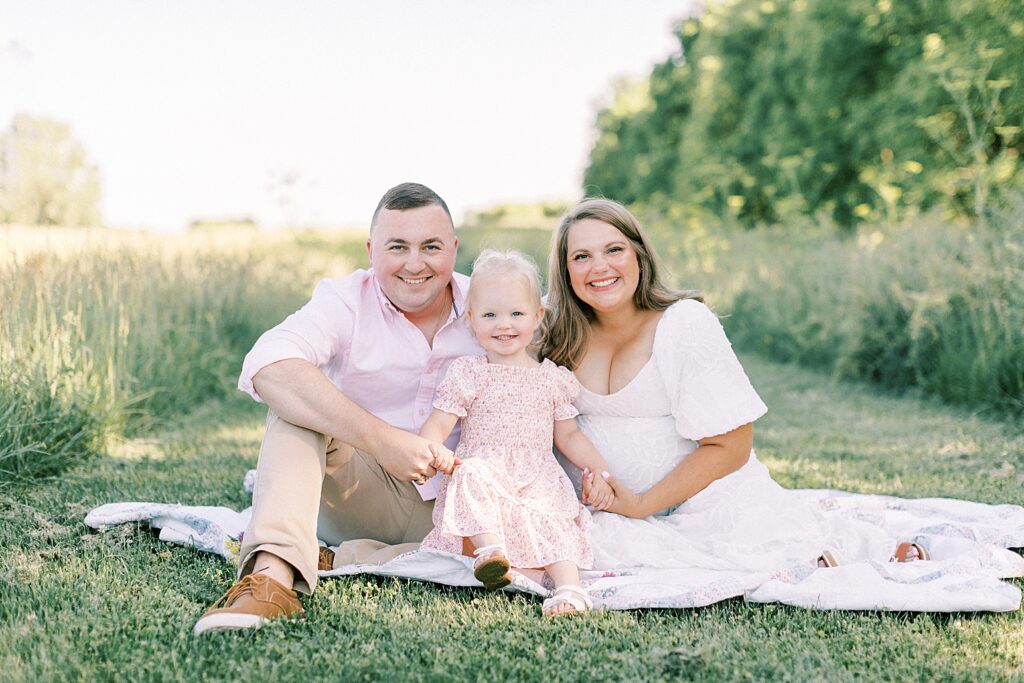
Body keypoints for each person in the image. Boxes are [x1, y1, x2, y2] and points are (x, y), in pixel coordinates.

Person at [540, 198, 932, 574]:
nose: (599, 267)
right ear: (565, 269)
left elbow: (732, 445)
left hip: (701, 504)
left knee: (773, 554)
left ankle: (868, 547)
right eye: (581, 256)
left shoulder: (683, 324)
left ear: (639, 255)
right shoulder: (550, 330)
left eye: (614, 250)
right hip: (597, 512)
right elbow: (484, 310)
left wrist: (641, 505)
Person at [194, 182, 483, 635]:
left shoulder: (491, 306)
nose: (415, 263)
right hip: (359, 491)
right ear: (371, 251)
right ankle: (270, 580)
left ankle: (341, 556)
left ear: (453, 248)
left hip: (464, 508)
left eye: (430, 246)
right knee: (296, 404)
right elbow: (268, 363)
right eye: (397, 247)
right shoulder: (346, 299)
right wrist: (383, 441)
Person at [418, 249, 615, 616]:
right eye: (490, 315)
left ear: (537, 317)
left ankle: (570, 589)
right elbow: (439, 423)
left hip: (535, 475)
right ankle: (491, 553)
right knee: (468, 472)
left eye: (516, 314)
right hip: (488, 472)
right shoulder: (469, 372)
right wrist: (428, 450)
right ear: (472, 319)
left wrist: (600, 473)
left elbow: (569, 436)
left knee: (552, 515)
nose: (503, 324)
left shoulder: (551, 378)